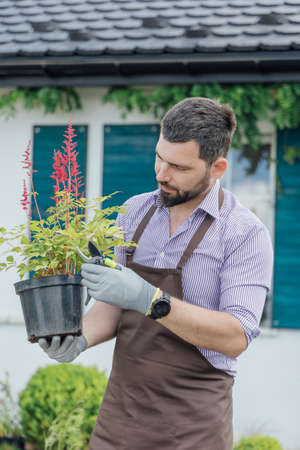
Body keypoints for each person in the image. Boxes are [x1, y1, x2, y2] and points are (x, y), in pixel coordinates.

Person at [39, 97, 273, 450]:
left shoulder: (243, 233)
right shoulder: (134, 212)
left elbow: (235, 336)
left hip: (194, 426)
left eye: (178, 167)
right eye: (159, 158)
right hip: (120, 418)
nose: (161, 174)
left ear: (218, 167)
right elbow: (116, 304)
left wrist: (150, 299)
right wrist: (78, 338)